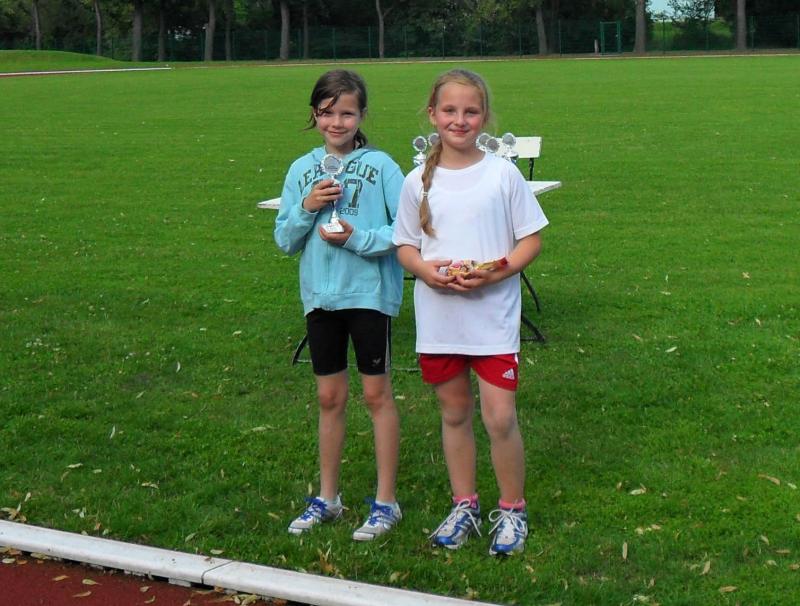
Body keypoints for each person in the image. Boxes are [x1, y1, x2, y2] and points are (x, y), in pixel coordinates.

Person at [392, 68, 548, 556]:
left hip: (493, 320)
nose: (460, 120)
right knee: (454, 413)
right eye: (450, 111)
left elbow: (531, 240)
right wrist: (426, 272)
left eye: (471, 111)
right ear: (432, 115)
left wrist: (497, 272)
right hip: (441, 321)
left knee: (499, 418)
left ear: (484, 117)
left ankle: (512, 509)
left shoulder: (502, 174)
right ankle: (465, 506)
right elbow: (405, 246)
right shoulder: (416, 181)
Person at [274, 69, 404, 541]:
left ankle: (386, 503)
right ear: (314, 115)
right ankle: (327, 499)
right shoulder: (301, 169)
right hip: (321, 299)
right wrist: (307, 207)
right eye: (327, 113)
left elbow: (406, 231)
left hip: (368, 296)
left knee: (376, 396)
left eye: (346, 113)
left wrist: (356, 238)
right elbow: (285, 240)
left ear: (361, 115)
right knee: (329, 398)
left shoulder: (382, 166)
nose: (337, 122)